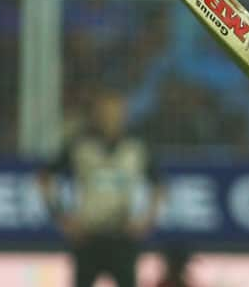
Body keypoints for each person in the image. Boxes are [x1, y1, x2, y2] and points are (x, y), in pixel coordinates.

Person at [38, 89, 166, 287]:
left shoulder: (136, 146)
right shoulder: (80, 144)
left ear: (124, 114)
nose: (111, 117)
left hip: (122, 235)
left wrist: (146, 220)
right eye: (105, 111)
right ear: (96, 114)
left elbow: (159, 184)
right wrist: (61, 218)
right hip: (89, 234)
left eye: (116, 111)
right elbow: (45, 178)